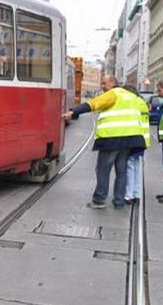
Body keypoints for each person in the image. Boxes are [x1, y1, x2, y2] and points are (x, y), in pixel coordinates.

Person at [63, 75, 147, 209]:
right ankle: (119, 201)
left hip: (112, 138)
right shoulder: (132, 96)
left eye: (104, 83)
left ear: (113, 82)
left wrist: (73, 112)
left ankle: (99, 200)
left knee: (103, 170)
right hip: (130, 139)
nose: (102, 86)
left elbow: (93, 103)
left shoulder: (113, 94)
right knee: (122, 171)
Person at [121, 85, 150, 203]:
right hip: (143, 140)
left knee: (129, 166)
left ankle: (128, 195)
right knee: (137, 166)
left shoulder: (132, 102)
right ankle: (137, 194)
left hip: (134, 138)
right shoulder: (142, 102)